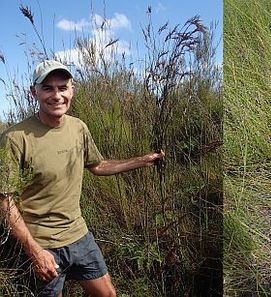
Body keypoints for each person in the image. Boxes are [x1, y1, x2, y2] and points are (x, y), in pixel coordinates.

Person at [0, 60, 165, 297]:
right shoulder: (16, 138)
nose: (56, 95)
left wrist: (143, 160)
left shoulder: (78, 127)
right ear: (33, 92)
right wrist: (34, 251)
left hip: (79, 235)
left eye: (62, 87)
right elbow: (4, 200)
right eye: (47, 88)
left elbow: (98, 165)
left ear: (72, 90)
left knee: (107, 294)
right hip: (41, 243)